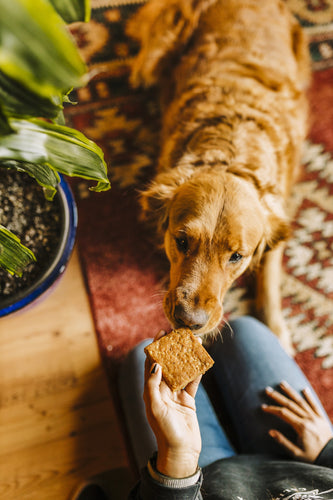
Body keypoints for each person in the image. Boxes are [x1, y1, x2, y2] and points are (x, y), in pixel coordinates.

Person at [73, 316, 333, 500]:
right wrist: (327, 451)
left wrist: (177, 457)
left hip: (202, 484)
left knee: (142, 354)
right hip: (303, 464)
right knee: (240, 329)